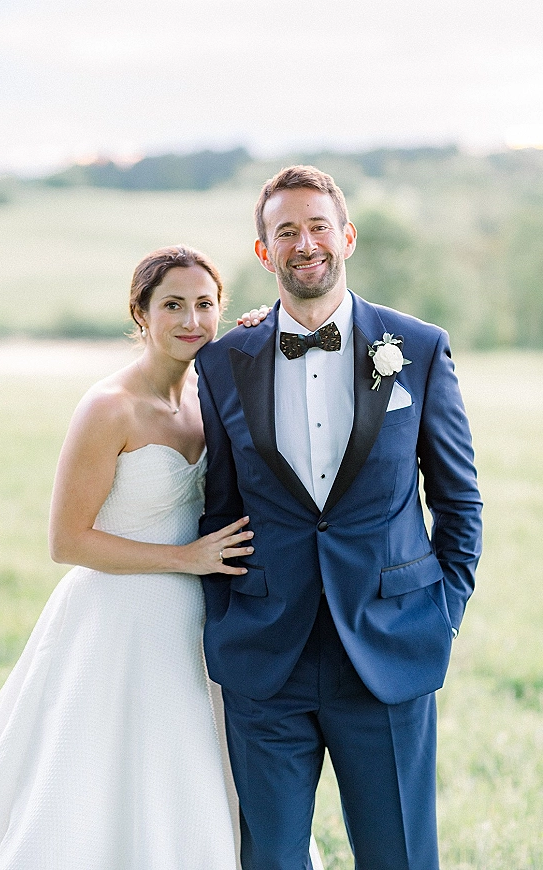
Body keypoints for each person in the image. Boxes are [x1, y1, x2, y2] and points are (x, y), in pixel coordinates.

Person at [0, 244, 323, 870]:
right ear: (142, 313)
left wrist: (261, 337)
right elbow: (66, 541)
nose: (192, 320)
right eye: (173, 305)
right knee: (101, 779)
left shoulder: (210, 397)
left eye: (205, 305)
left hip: (199, 618)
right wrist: (186, 558)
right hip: (118, 618)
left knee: (197, 768)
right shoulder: (109, 408)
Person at [196, 166, 483, 870]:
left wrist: (441, 612)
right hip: (267, 659)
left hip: (388, 648)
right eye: (285, 231)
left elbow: (459, 499)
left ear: (346, 236)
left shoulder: (416, 347)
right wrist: (229, 617)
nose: (305, 242)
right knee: (269, 858)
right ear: (264, 252)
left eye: (318, 225)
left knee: (400, 857)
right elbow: (218, 506)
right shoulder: (223, 362)